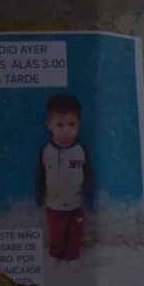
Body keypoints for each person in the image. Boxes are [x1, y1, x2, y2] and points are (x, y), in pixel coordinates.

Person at [34, 93, 96, 274]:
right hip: (53, 204)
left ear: (79, 124)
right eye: (59, 125)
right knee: (56, 233)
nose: (65, 131)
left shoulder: (81, 148)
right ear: (49, 125)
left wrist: (88, 200)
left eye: (71, 125)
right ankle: (55, 254)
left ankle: (73, 256)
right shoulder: (46, 149)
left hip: (76, 205)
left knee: (75, 234)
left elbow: (90, 175)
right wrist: (38, 196)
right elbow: (39, 174)